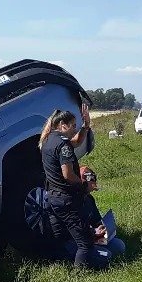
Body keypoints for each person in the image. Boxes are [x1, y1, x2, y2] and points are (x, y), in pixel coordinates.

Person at [38, 105, 95, 267]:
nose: (74, 129)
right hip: (65, 199)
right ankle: (80, 276)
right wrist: (84, 185)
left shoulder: (47, 140)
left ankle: (57, 268)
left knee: (58, 238)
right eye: (73, 125)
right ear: (63, 125)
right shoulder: (63, 146)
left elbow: (76, 142)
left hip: (52, 198)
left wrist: (86, 126)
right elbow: (68, 175)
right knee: (84, 242)